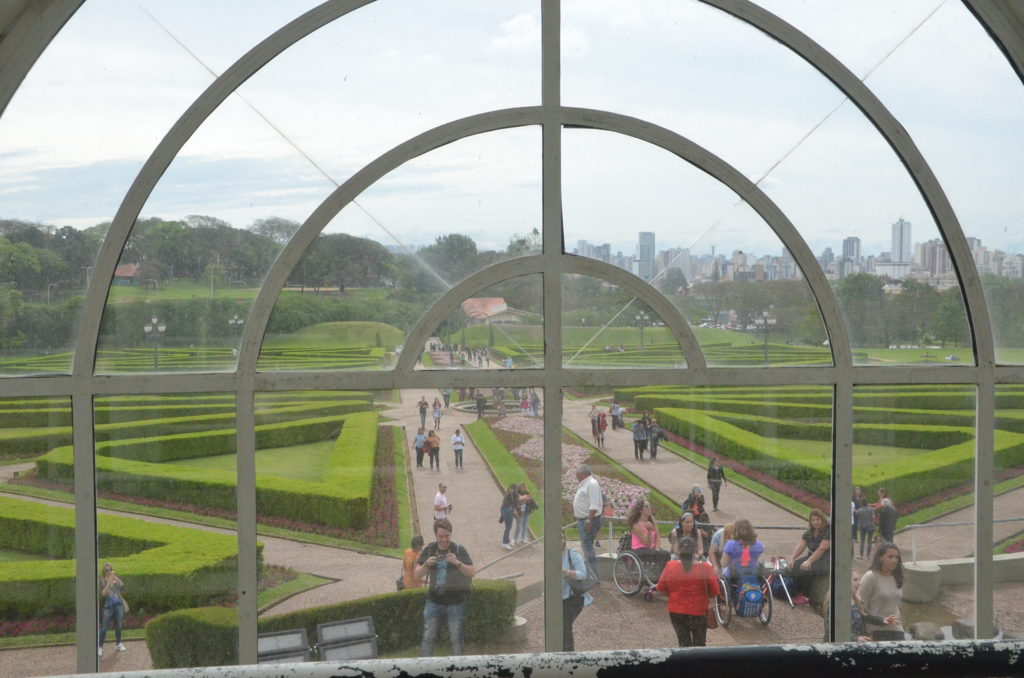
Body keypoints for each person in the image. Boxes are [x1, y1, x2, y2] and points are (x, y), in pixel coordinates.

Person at [415, 518, 476, 656]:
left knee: (456, 639)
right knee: (428, 637)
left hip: (456, 602)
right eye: (440, 536)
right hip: (433, 601)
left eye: (446, 536)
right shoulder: (430, 549)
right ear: (435, 536)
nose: (444, 540)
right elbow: (417, 574)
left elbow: (472, 572)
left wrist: (457, 562)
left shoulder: (459, 550)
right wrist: (426, 564)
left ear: (451, 534)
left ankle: (459, 669)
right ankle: (425, 668)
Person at [656, 536, 719, 647]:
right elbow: (715, 590)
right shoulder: (705, 568)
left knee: (683, 643)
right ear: (695, 550)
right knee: (699, 644)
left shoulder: (670, 566)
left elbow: (661, 587)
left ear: (679, 550)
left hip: (676, 610)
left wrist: (673, 595)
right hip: (698, 611)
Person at [859, 543, 905, 641]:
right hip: (876, 630)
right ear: (880, 558)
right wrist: (867, 630)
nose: (894, 560)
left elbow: (897, 604)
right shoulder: (871, 577)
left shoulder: (897, 577)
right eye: (890, 557)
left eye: (896, 557)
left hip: (897, 629)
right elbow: (861, 606)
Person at [788, 508, 831, 606]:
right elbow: (800, 547)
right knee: (795, 565)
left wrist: (809, 561)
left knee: (804, 568)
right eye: (813, 520)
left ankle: (806, 596)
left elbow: (822, 548)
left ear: (822, 520)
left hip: (825, 560)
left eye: (818, 519)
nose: (816, 522)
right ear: (811, 521)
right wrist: (792, 559)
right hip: (812, 556)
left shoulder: (828, 532)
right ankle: (796, 593)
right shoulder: (808, 533)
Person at [561, 530, 592, 651]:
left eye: (563, 537)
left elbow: (582, 574)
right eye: (558, 537)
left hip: (573, 599)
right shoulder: (550, 555)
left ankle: (568, 657)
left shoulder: (571, 554)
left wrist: (567, 572)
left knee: (565, 628)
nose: (561, 540)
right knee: (559, 628)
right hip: (557, 599)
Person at [573, 464, 603, 576]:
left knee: (587, 548)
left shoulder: (591, 484)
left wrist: (588, 520)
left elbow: (594, 505)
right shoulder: (586, 483)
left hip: (589, 521)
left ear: (582, 474)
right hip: (584, 520)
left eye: (576, 473)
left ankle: (593, 575)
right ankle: (591, 574)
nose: (575, 475)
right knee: (586, 547)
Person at [850, 572, 899, 641]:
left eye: (858, 580)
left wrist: (882, 620)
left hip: (859, 643)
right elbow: (838, 629)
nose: (859, 583)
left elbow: (866, 616)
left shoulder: (857, 600)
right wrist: (855, 638)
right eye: (855, 580)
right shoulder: (838, 603)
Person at [626, 499, 671, 573]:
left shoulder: (652, 519)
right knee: (660, 555)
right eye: (646, 506)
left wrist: (657, 547)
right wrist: (649, 531)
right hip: (639, 549)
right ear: (641, 510)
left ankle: (662, 576)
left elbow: (658, 536)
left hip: (652, 548)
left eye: (650, 506)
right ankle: (658, 577)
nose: (649, 508)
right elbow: (647, 544)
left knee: (667, 554)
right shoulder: (636, 525)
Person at [97, 562, 127, 656]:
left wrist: (115, 578)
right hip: (108, 606)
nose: (109, 572)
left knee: (118, 625)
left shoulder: (115, 579)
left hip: (118, 605)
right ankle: (100, 647)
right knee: (104, 627)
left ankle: (118, 643)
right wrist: (109, 581)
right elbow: (103, 593)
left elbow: (122, 585)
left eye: (110, 569)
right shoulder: (102, 581)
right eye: (107, 570)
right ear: (104, 572)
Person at [500, 484, 518, 549]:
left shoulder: (509, 495)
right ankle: (505, 543)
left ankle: (507, 541)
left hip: (507, 511)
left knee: (508, 527)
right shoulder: (511, 494)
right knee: (508, 528)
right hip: (508, 511)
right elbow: (514, 501)